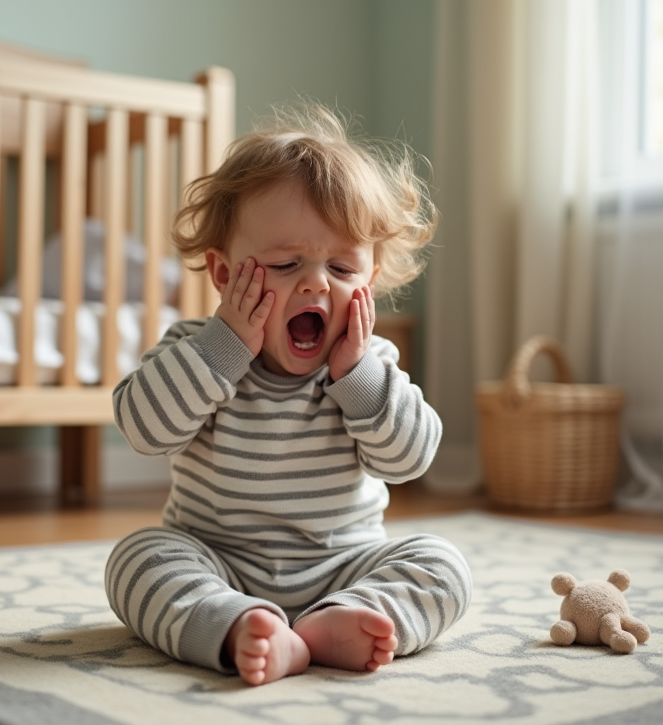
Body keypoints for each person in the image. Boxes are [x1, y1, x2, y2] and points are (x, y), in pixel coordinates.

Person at [104, 105, 472, 686]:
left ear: (369, 282)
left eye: (343, 267)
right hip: (216, 562)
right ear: (224, 276)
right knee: (137, 559)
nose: (316, 283)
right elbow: (142, 428)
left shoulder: (369, 365)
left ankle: (344, 620)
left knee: (443, 564)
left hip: (345, 567)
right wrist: (223, 349)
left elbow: (409, 460)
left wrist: (359, 380)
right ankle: (234, 623)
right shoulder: (198, 351)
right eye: (284, 263)